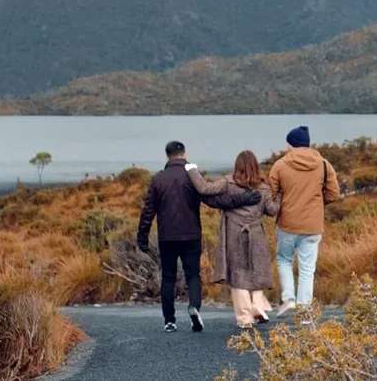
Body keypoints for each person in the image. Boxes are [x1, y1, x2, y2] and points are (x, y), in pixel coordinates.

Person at [137, 141, 262, 333]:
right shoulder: (192, 178)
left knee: (168, 277)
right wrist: (242, 199)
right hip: (191, 235)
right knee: (193, 274)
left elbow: (148, 210)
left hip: (167, 237)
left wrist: (142, 236)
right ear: (185, 155)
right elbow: (215, 200)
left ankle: (169, 321)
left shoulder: (158, 179)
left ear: (167, 157)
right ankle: (194, 306)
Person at [202, 150, 281, 329]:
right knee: (257, 271)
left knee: (238, 273)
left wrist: (192, 172)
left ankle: (245, 317)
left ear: (237, 166)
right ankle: (257, 307)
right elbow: (272, 210)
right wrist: (281, 195)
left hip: (234, 233)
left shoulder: (228, 183)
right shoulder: (263, 188)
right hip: (256, 234)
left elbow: (206, 190)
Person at [269, 125, 340, 319]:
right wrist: (317, 203)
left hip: (287, 224)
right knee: (308, 268)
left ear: (291, 144)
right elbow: (334, 194)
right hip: (313, 225)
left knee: (284, 259)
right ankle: (305, 312)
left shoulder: (280, 165)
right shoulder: (324, 164)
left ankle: (288, 298)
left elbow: (272, 194)